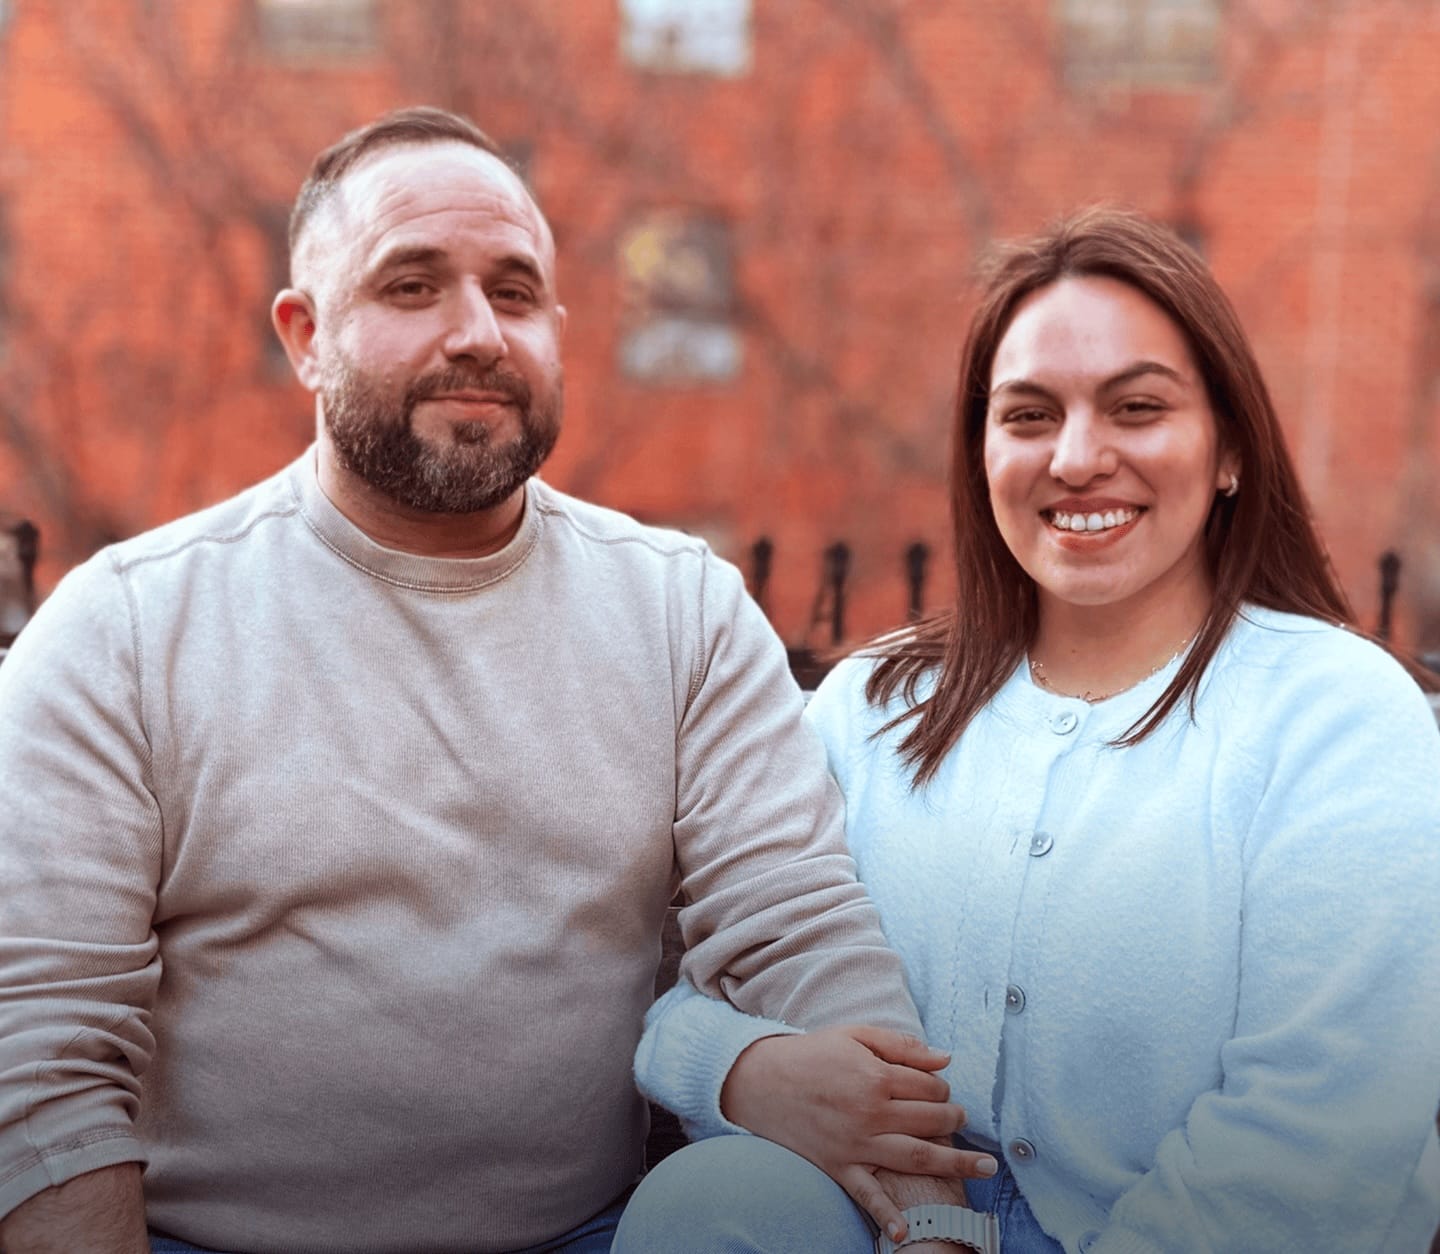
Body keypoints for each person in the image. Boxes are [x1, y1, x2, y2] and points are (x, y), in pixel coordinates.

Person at [0, 107, 981, 1254]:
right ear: (304, 334)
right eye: (412, 287)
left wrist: (930, 1217)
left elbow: (794, 925)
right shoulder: (126, 627)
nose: (478, 334)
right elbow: (42, 1051)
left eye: (514, 294)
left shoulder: (682, 610)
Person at [616, 207, 1440, 1254]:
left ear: (1230, 447)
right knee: (714, 1202)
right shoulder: (867, 708)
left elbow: (1318, 1133)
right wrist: (747, 1074)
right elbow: (684, 997)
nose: (1079, 457)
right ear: (981, 453)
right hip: (882, 1229)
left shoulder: (1337, 715)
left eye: (1137, 407)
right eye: (1029, 415)